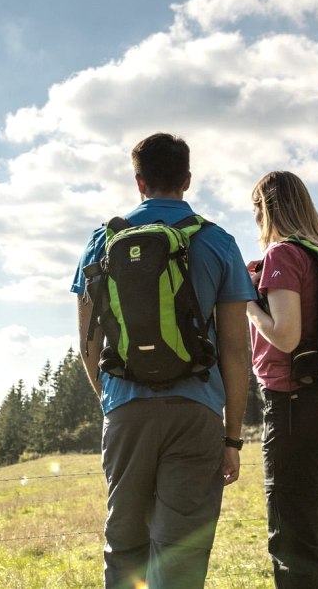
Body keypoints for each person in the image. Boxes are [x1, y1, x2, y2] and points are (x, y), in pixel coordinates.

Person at [72, 133, 254, 589]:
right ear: (187, 180)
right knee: (181, 555)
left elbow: (87, 346)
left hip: (126, 408)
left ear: (139, 182)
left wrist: (112, 403)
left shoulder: (102, 241)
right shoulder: (218, 242)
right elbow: (236, 349)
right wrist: (232, 436)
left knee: (125, 546)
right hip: (197, 412)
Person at [244, 170, 318, 589]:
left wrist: (249, 305)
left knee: (294, 530)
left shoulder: (282, 256)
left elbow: (286, 334)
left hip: (293, 402)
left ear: (264, 209)